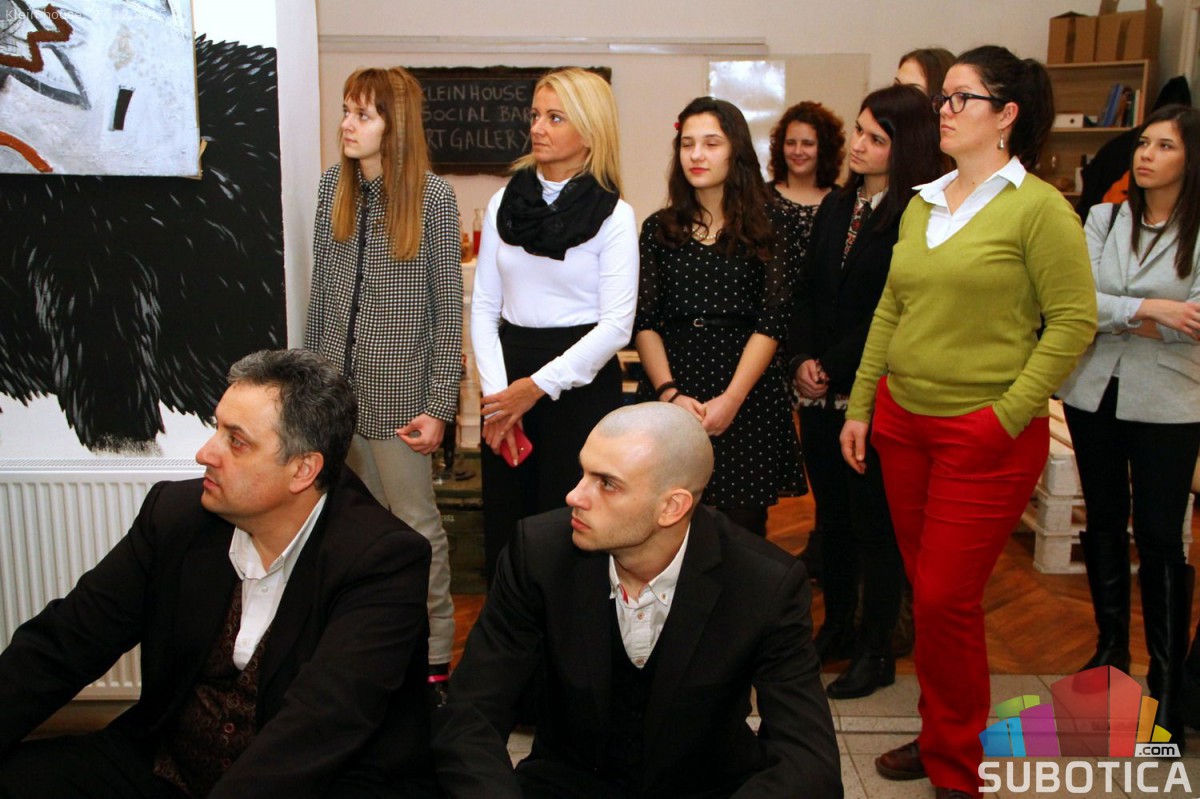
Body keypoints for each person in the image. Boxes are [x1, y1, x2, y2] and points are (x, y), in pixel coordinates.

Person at [0, 349, 437, 799]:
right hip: (166, 765)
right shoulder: (175, 517)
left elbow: (319, 724)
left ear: (303, 470)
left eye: (236, 441)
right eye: (216, 429)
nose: (204, 453)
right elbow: (63, 644)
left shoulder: (383, 559)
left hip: (320, 783)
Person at [840, 46, 1096, 797]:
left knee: (946, 597)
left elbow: (1073, 322)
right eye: (943, 99)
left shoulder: (1040, 209)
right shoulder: (923, 202)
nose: (943, 111)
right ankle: (942, 734)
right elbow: (892, 309)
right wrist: (863, 404)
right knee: (932, 598)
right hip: (902, 423)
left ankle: (957, 764)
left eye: (960, 98)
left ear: (1006, 115)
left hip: (983, 431)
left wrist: (1008, 414)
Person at [431, 402, 842, 799]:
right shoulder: (538, 554)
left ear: (672, 507)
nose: (574, 495)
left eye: (607, 483)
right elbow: (470, 716)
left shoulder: (763, 582)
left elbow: (807, 760)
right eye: (583, 472)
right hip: (567, 785)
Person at [305, 66, 461, 693]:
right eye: (346, 110)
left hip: (400, 403)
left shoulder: (432, 198)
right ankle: (364, 652)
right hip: (334, 403)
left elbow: (447, 312)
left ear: (394, 126)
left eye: (362, 114)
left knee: (417, 527)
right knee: (344, 530)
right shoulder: (331, 189)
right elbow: (321, 297)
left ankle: (435, 657)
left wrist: (440, 405)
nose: (347, 124)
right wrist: (308, 391)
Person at [788, 84, 942, 698]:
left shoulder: (918, 214)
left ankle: (877, 648)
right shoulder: (838, 204)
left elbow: (893, 309)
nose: (858, 145)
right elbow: (806, 290)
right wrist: (802, 357)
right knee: (832, 518)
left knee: (874, 523)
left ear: (906, 148)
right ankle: (838, 628)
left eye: (875, 138)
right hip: (820, 391)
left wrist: (830, 361)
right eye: (858, 131)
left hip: (875, 390)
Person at [1059, 105, 1200, 742]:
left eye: (1164, 146)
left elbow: (1196, 321)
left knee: (1162, 536)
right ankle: (1110, 652)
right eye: (1144, 143)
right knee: (1104, 521)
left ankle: (1167, 680)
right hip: (1093, 393)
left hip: (1170, 402)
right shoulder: (1104, 217)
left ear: (1191, 159)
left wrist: (1122, 314)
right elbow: (1076, 302)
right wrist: (1154, 310)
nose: (1145, 155)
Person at [471, 67, 638, 584]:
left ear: (589, 132)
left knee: (572, 531)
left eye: (555, 118)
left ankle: (571, 634)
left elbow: (617, 326)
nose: (537, 128)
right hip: (508, 377)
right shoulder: (503, 204)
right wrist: (499, 399)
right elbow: (484, 307)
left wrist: (534, 388)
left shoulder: (614, 216)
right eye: (536, 115)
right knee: (508, 529)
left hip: (579, 386)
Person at [635, 96, 803, 538]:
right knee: (665, 525)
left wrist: (731, 399)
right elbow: (644, 321)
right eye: (687, 144)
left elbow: (773, 320)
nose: (696, 155)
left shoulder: (774, 224)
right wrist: (669, 393)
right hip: (674, 386)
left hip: (746, 392)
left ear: (736, 151)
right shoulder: (658, 228)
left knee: (742, 531)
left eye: (711, 143)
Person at [767, 100, 846, 267]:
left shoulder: (842, 203)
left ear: (824, 148)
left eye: (807, 144)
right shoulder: (760, 197)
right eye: (790, 143)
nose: (797, 151)